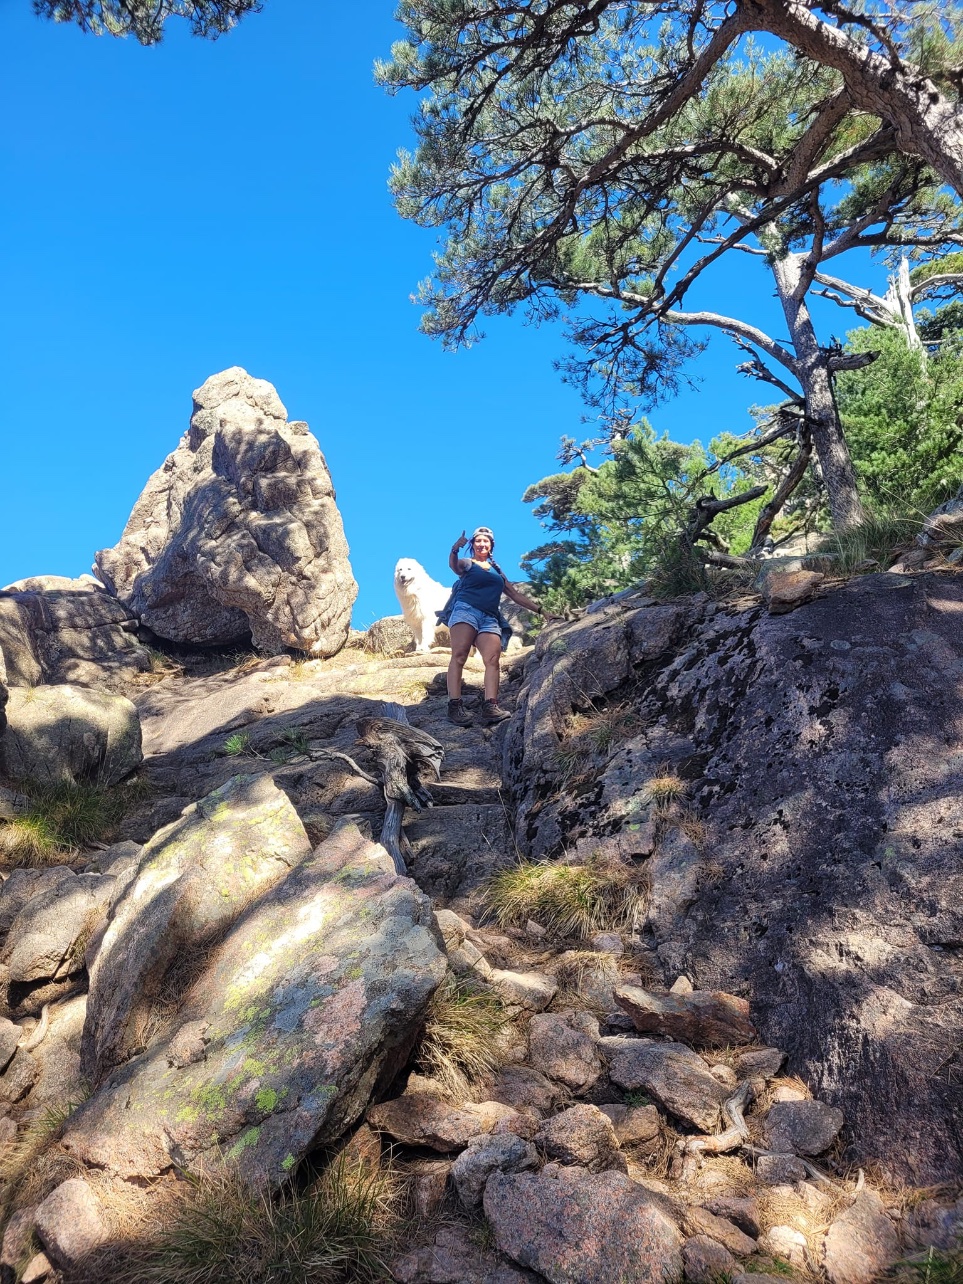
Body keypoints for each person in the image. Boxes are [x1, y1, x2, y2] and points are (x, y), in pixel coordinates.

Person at [445, 526, 556, 727]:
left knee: (493, 660)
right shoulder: (468, 563)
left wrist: (542, 611)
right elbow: (455, 567)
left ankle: (491, 706)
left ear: (491, 545)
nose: (482, 544)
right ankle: (455, 706)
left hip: (489, 617)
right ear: (473, 544)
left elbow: (514, 595)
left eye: (486, 541)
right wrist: (454, 549)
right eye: (478, 541)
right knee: (460, 655)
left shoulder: (497, 571)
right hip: (466, 610)